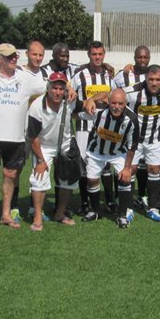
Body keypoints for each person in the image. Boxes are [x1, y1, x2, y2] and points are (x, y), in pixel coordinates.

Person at [0, 44, 47, 230]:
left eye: (15, 56)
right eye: (9, 57)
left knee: (11, 175)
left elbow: (47, 87)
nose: (14, 59)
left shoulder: (24, 77)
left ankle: (6, 214)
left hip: (17, 138)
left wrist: (68, 86)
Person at [26, 72, 78, 231]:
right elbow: (33, 137)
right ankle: (37, 217)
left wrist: (90, 101)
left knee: (67, 181)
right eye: (54, 88)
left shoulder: (70, 101)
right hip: (43, 146)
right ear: (48, 88)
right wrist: (41, 161)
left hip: (65, 144)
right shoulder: (37, 106)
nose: (57, 92)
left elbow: (84, 106)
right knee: (39, 179)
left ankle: (60, 214)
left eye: (61, 89)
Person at [82, 88, 140, 228]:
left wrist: (127, 168)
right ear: (108, 101)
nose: (116, 107)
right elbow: (78, 109)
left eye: (120, 103)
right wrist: (90, 100)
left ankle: (122, 215)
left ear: (125, 103)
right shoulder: (98, 111)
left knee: (125, 179)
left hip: (118, 153)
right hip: (96, 151)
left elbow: (132, 146)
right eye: (113, 103)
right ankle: (95, 211)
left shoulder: (132, 119)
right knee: (92, 180)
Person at [72, 41, 116, 215]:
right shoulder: (79, 75)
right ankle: (84, 202)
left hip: (104, 126)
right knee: (83, 163)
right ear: (88, 55)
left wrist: (98, 97)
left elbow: (113, 95)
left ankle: (110, 201)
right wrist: (80, 107)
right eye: (94, 54)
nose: (97, 57)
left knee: (105, 162)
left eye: (100, 54)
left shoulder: (109, 75)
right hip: (84, 126)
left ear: (104, 55)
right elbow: (70, 96)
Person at [126, 64, 160, 221]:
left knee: (154, 170)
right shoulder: (134, 93)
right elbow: (114, 95)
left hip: (154, 140)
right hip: (134, 141)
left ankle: (153, 208)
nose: (154, 83)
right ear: (145, 79)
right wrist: (91, 100)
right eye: (151, 79)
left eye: (158, 80)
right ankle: (127, 207)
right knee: (130, 170)